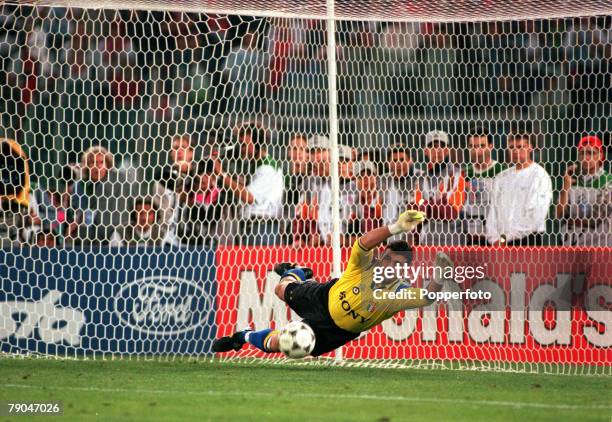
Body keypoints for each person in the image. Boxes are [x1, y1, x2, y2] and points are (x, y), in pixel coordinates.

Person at [212, 209, 456, 357]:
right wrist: (396, 227)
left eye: (399, 264)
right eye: (389, 260)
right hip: (323, 297)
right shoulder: (364, 266)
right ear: (383, 258)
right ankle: (295, 272)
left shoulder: (397, 294)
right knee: (279, 288)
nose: (392, 266)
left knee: (282, 345)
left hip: (336, 333)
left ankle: (242, 337)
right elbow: (363, 242)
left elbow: (427, 297)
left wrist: (439, 277)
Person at [214, 122, 284, 246]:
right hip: (254, 227)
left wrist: (222, 175)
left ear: (257, 144)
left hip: (262, 230)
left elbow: (249, 197)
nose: (241, 149)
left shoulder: (267, 167)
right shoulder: (254, 165)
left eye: (245, 145)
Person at [486, 133, 553, 246]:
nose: (515, 151)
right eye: (511, 147)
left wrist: (505, 238)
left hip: (528, 241)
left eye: (520, 147)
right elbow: (493, 212)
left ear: (530, 147)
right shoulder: (501, 177)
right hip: (500, 244)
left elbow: (535, 218)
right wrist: (494, 239)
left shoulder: (539, 176)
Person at [556, 135, 611, 246]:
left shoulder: (608, 181)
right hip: (570, 246)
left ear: (601, 156)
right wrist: (565, 187)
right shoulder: (572, 179)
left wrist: (569, 221)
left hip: (598, 247)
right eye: (583, 153)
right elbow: (559, 214)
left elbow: (594, 221)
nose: (586, 157)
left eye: (591, 153)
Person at [418, 130, 465, 245]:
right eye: (433, 146)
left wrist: (427, 204)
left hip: (452, 241)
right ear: (425, 151)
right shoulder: (420, 179)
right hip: (426, 242)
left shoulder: (457, 175)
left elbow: (451, 213)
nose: (438, 150)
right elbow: (417, 214)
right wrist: (440, 201)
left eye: (442, 146)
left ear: (448, 150)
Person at [462, 127, 507, 245]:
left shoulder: (502, 172)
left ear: (491, 146)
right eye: (473, 146)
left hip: (495, 240)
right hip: (471, 238)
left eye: (482, 146)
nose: (477, 151)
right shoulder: (464, 174)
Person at [379, 142, 423, 242]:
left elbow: (424, 203)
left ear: (410, 161)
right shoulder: (383, 181)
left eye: (402, 159)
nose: (398, 163)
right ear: (388, 163)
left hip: (415, 239)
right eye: (394, 160)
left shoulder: (421, 177)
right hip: (389, 239)